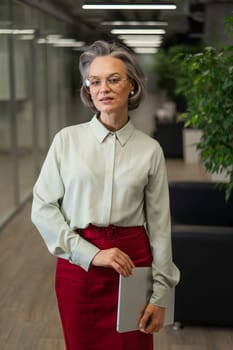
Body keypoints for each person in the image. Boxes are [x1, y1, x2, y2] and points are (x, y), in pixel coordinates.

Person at [31, 40, 180, 350]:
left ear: (132, 86)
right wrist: (92, 254)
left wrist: (162, 293)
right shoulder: (66, 141)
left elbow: (160, 225)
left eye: (114, 79)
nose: (103, 88)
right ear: (88, 89)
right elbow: (43, 208)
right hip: (79, 264)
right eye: (95, 81)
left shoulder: (150, 150)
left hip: (133, 266)